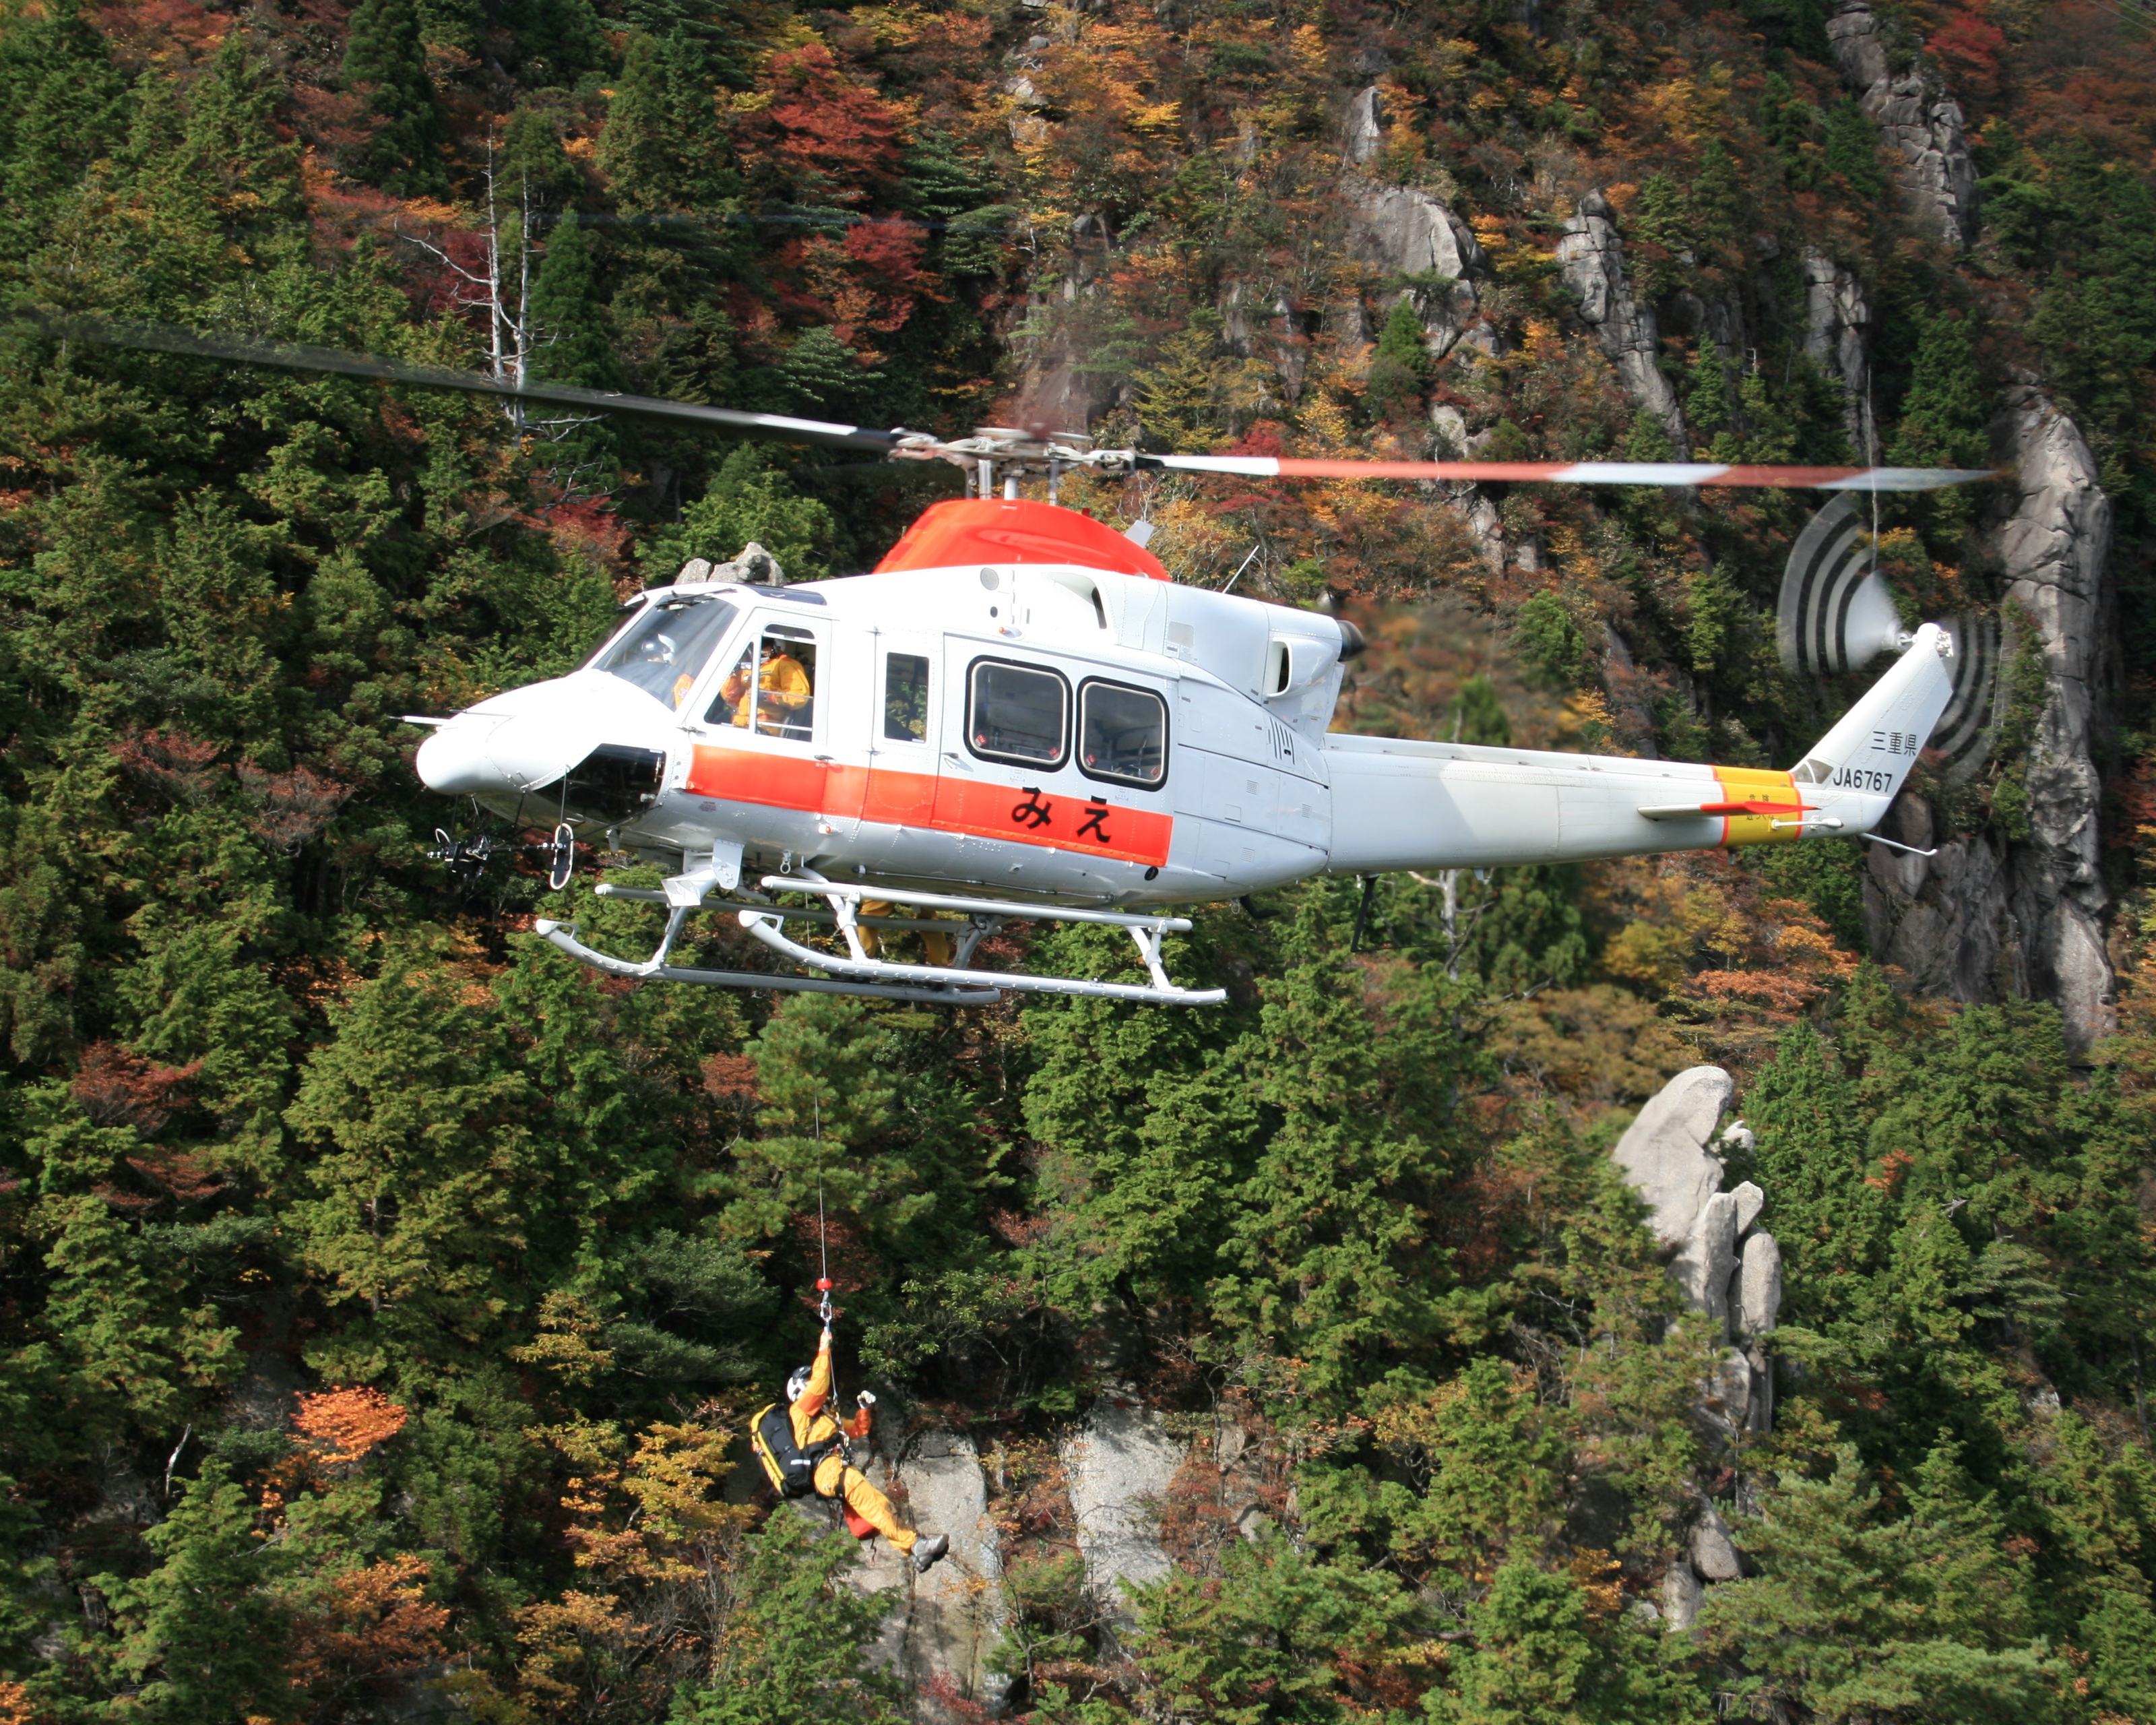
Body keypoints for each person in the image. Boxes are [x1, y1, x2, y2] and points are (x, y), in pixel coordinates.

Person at [788, 1323, 949, 1573]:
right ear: (799, 1389)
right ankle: (917, 1546)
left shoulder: (825, 1418)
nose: (813, 1384)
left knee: (880, 1505)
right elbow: (820, 1384)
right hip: (829, 1470)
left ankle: (917, 1551)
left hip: (834, 1469)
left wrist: (864, 1410)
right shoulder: (800, 1411)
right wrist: (824, 1349)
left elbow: (857, 1430)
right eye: (807, 1382)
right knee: (877, 1504)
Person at [720, 639, 812, 735]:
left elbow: (800, 697)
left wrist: (766, 696)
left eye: (764, 644)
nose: (760, 649)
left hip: (766, 727)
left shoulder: (785, 665)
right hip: (741, 724)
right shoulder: (749, 667)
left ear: (777, 647)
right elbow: (729, 696)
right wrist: (736, 674)